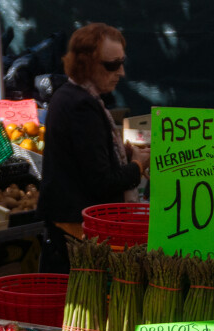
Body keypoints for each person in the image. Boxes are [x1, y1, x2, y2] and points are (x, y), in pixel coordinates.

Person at [38, 23, 149, 272]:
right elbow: (101, 181)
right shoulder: (81, 106)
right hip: (75, 231)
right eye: (112, 65)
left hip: (69, 225)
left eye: (122, 62)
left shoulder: (73, 97)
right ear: (86, 64)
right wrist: (137, 166)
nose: (120, 72)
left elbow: (85, 160)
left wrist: (124, 156)